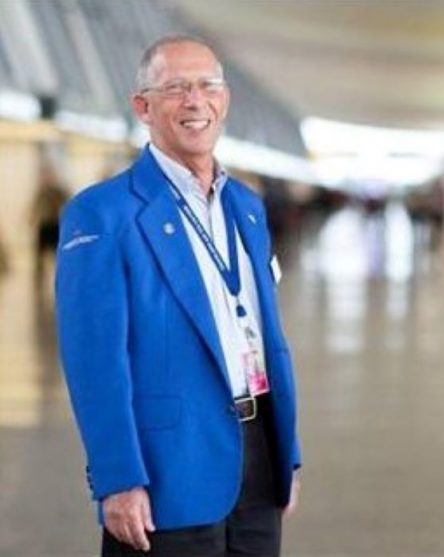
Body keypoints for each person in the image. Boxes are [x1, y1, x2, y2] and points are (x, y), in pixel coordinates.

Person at [55, 35, 301, 557]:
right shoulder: (103, 214)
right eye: (176, 88)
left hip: (258, 458)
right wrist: (117, 478)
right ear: (143, 106)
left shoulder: (247, 208)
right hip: (168, 466)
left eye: (208, 85)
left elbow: (266, 336)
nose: (196, 101)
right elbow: (94, 360)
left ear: (225, 99)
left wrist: (287, 454)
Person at [30, 161, 69, 288]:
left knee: (56, 253)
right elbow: (36, 207)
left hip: (55, 225)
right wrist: (32, 219)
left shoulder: (59, 191)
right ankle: (38, 279)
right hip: (44, 225)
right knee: (40, 254)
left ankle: (61, 277)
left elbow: (67, 206)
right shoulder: (41, 191)